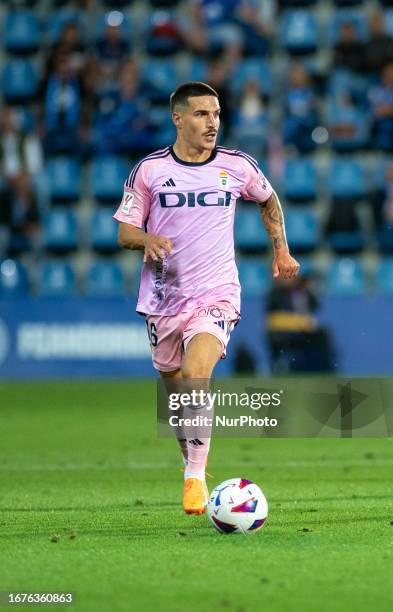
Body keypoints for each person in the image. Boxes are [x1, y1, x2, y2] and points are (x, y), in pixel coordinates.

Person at [113, 81, 299, 515]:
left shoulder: (237, 165)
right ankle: (190, 459)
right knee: (176, 396)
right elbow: (124, 233)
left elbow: (268, 202)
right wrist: (148, 239)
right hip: (162, 298)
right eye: (201, 114)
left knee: (197, 373)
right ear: (177, 118)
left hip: (216, 294)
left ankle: (194, 478)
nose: (212, 122)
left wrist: (282, 249)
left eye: (216, 114)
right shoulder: (150, 171)